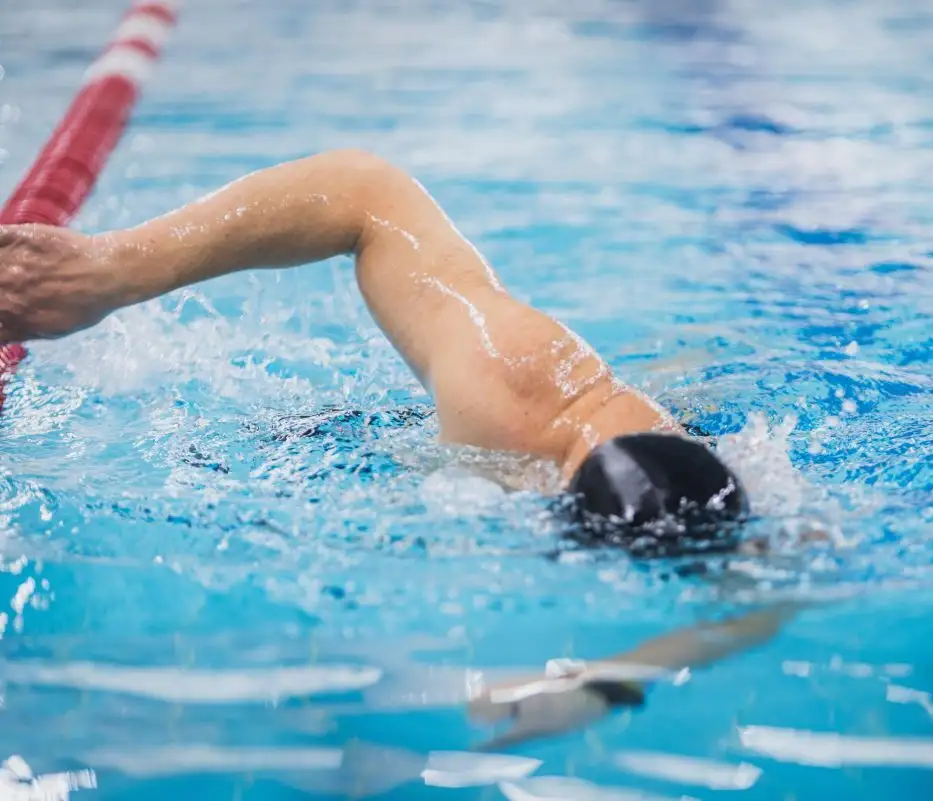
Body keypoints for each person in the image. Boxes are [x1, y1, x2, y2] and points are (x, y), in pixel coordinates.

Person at [0, 149, 749, 554]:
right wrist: (116, 271)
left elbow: (757, 591)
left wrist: (608, 682)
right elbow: (365, 194)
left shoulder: (741, 493)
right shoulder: (511, 384)